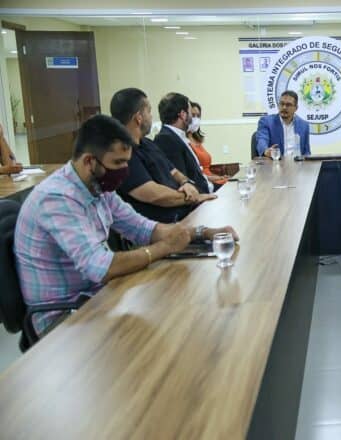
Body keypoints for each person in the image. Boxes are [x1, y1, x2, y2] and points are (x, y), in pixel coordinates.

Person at [14, 115, 238, 336]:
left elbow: (142, 228)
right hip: (63, 320)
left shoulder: (98, 187)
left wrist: (202, 233)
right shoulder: (56, 199)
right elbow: (100, 268)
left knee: (179, 314)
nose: (124, 171)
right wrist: (164, 248)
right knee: (165, 331)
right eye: (118, 163)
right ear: (90, 161)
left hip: (95, 299)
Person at [110, 88, 217, 223]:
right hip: (166, 225)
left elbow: (173, 171)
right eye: (149, 111)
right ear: (138, 118)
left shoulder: (148, 144)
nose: (151, 117)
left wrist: (185, 183)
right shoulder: (123, 154)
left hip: (185, 213)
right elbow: (154, 195)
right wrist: (192, 197)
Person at [154, 92, 212, 194]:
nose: (192, 118)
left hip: (207, 190)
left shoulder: (178, 136)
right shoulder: (166, 139)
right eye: (190, 113)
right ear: (183, 114)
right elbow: (181, 182)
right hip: (199, 198)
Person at [257, 90, 311, 159]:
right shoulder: (266, 122)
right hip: (276, 163)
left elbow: (306, 152)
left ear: (296, 108)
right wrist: (266, 151)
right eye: (282, 104)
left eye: (288, 105)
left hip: (297, 163)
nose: (284, 107)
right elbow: (262, 140)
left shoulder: (304, 125)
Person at [187, 102, 228, 187]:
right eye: (193, 115)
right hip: (204, 183)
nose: (196, 119)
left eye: (198, 116)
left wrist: (219, 177)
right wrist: (216, 178)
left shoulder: (197, 139)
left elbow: (206, 169)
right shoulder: (184, 141)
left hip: (211, 179)